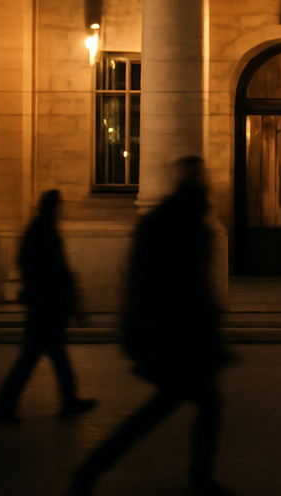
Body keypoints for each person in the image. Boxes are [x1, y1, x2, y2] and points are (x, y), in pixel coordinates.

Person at [73, 157, 232, 496]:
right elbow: (173, 286)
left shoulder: (180, 219)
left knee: (174, 408)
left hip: (176, 336)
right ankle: (197, 479)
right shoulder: (177, 222)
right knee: (179, 409)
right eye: (200, 176)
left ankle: (94, 468)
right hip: (175, 338)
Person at [0, 189, 98, 423]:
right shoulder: (42, 232)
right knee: (34, 357)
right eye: (58, 206)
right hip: (46, 304)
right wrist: (68, 299)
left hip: (46, 303)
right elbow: (51, 269)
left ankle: (67, 399)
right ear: (51, 207)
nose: (61, 211)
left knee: (51, 355)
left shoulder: (42, 231)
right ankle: (3, 407)